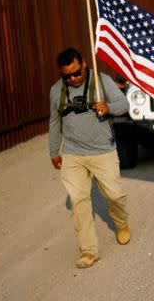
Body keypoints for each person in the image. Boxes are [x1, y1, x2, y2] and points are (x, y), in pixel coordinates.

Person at [49, 46, 131, 269]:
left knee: (114, 194)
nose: (73, 78)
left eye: (77, 73)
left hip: (103, 150)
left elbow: (124, 104)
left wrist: (108, 107)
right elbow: (55, 122)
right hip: (74, 154)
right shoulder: (57, 91)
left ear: (83, 64)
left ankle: (121, 223)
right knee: (79, 202)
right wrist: (54, 151)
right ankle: (89, 250)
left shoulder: (102, 81)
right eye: (67, 75)